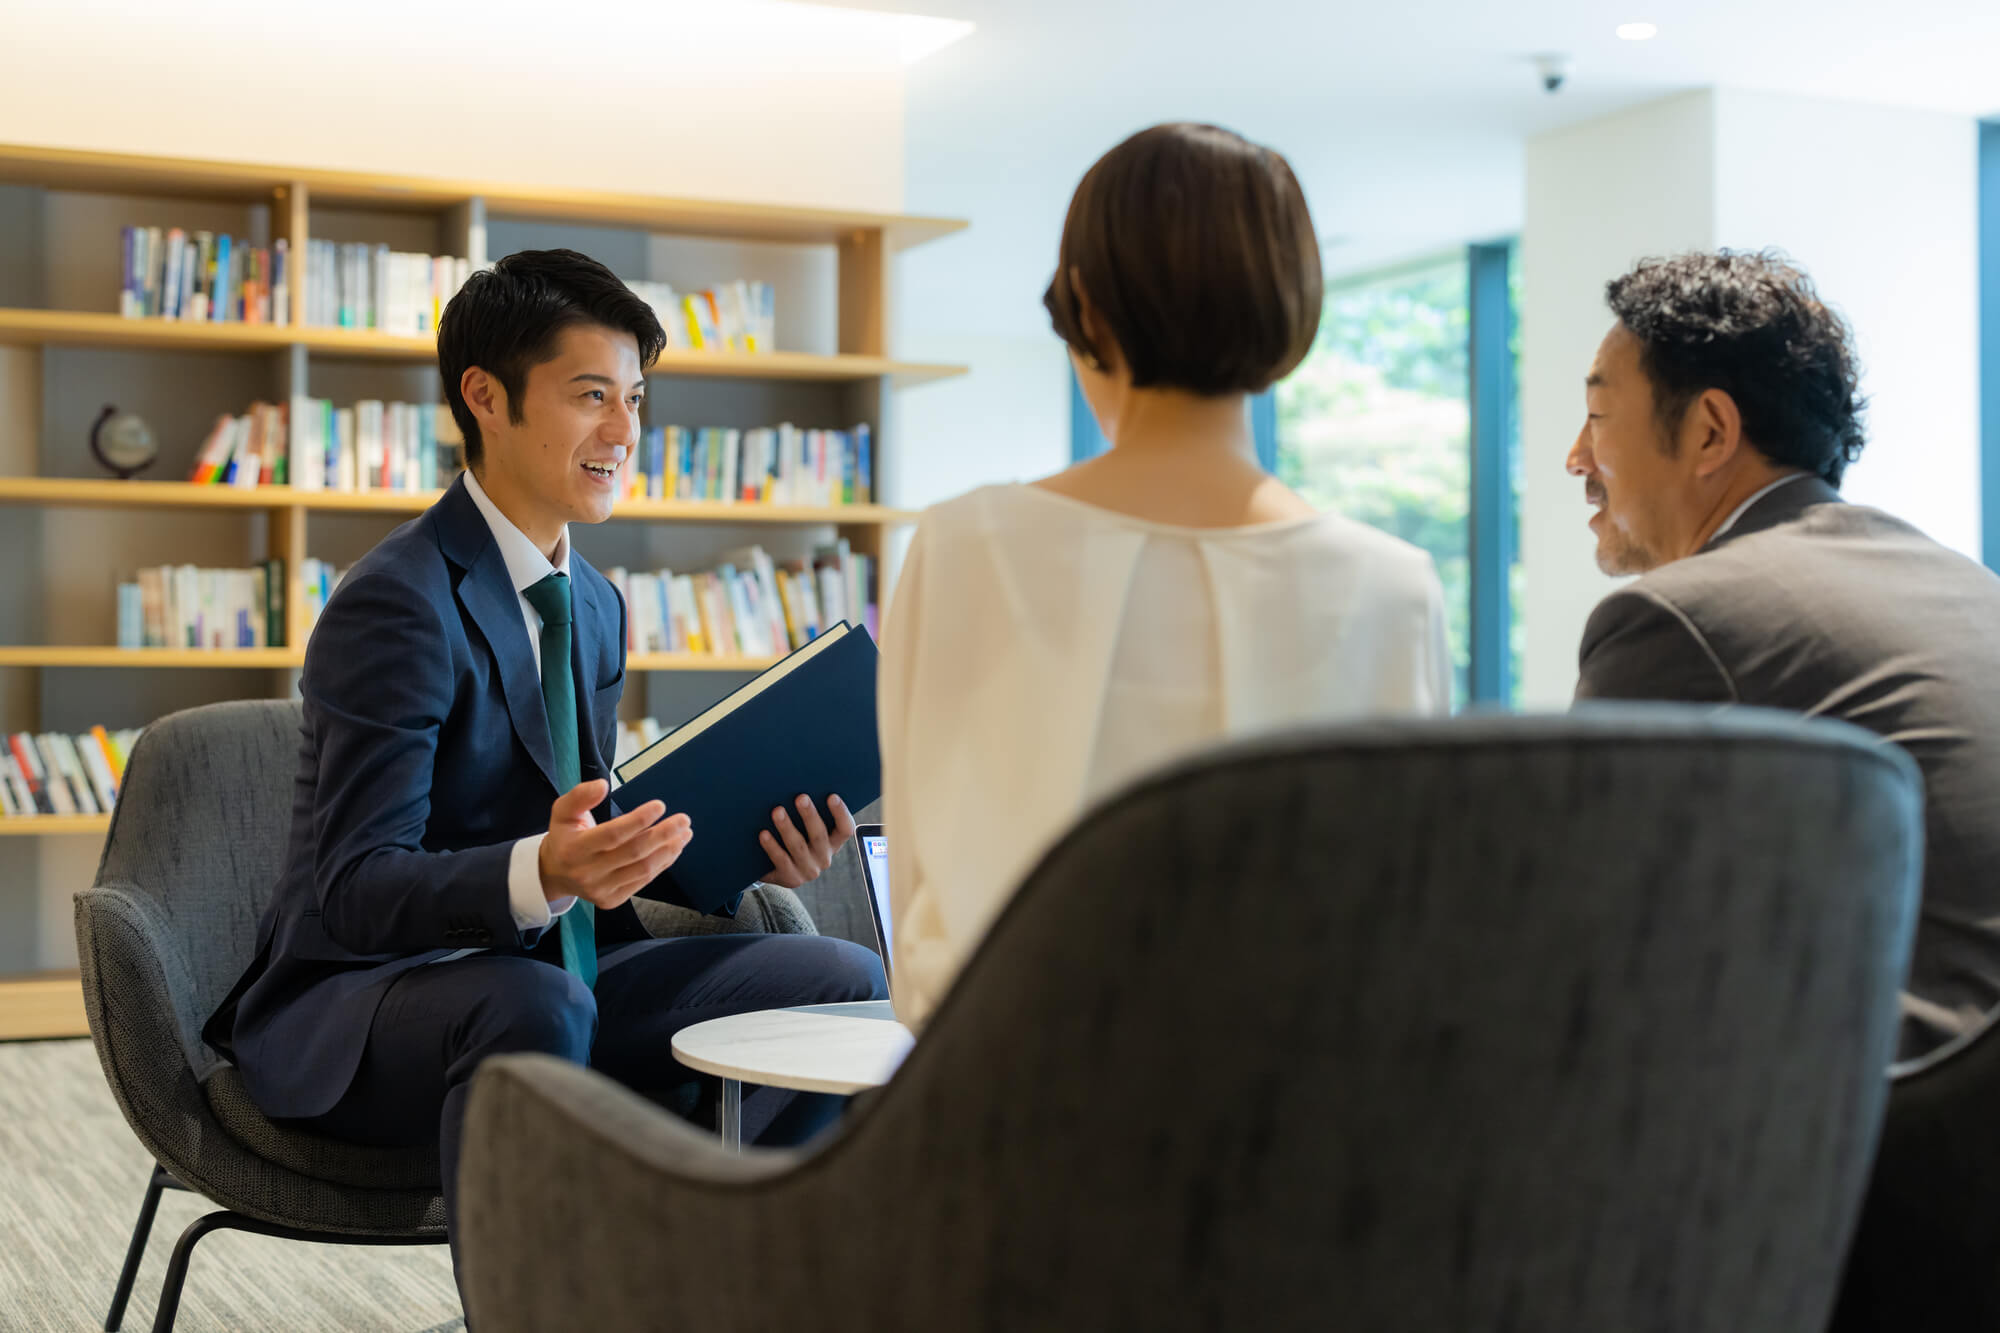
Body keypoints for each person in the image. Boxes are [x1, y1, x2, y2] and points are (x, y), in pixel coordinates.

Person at [202, 248, 885, 1277]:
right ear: (485, 397)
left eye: (636, 399)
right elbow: (352, 888)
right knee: (535, 1003)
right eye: (591, 396)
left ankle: (723, 1280)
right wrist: (544, 871)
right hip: (372, 1001)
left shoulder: (596, 606)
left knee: (838, 977)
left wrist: (743, 848)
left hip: (552, 973)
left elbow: (592, 849)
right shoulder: (396, 601)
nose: (624, 431)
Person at [878, 123, 1453, 1030]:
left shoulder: (967, 544)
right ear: (1291, 305)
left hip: (1014, 1115)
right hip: (1316, 1132)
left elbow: (918, 919)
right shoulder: (1396, 585)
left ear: (1086, 308)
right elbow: (1411, 926)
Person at [1567, 248, 2000, 1062]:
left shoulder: (1674, 617)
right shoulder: (1967, 582)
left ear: (1710, 431)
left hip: (1901, 1125)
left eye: (1595, 418)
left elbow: (1576, 934)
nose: (1576, 459)